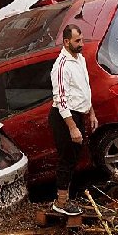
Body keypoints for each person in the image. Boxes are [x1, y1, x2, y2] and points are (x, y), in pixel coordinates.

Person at [48, 24, 98, 216]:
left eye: (82, 39)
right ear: (66, 41)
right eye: (77, 41)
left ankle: (66, 196)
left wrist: (91, 112)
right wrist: (72, 127)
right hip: (64, 117)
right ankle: (61, 202)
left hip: (78, 114)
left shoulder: (80, 59)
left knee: (75, 156)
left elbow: (84, 88)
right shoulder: (61, 66)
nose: (81, 44)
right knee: (67, 159)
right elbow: (61, 100)